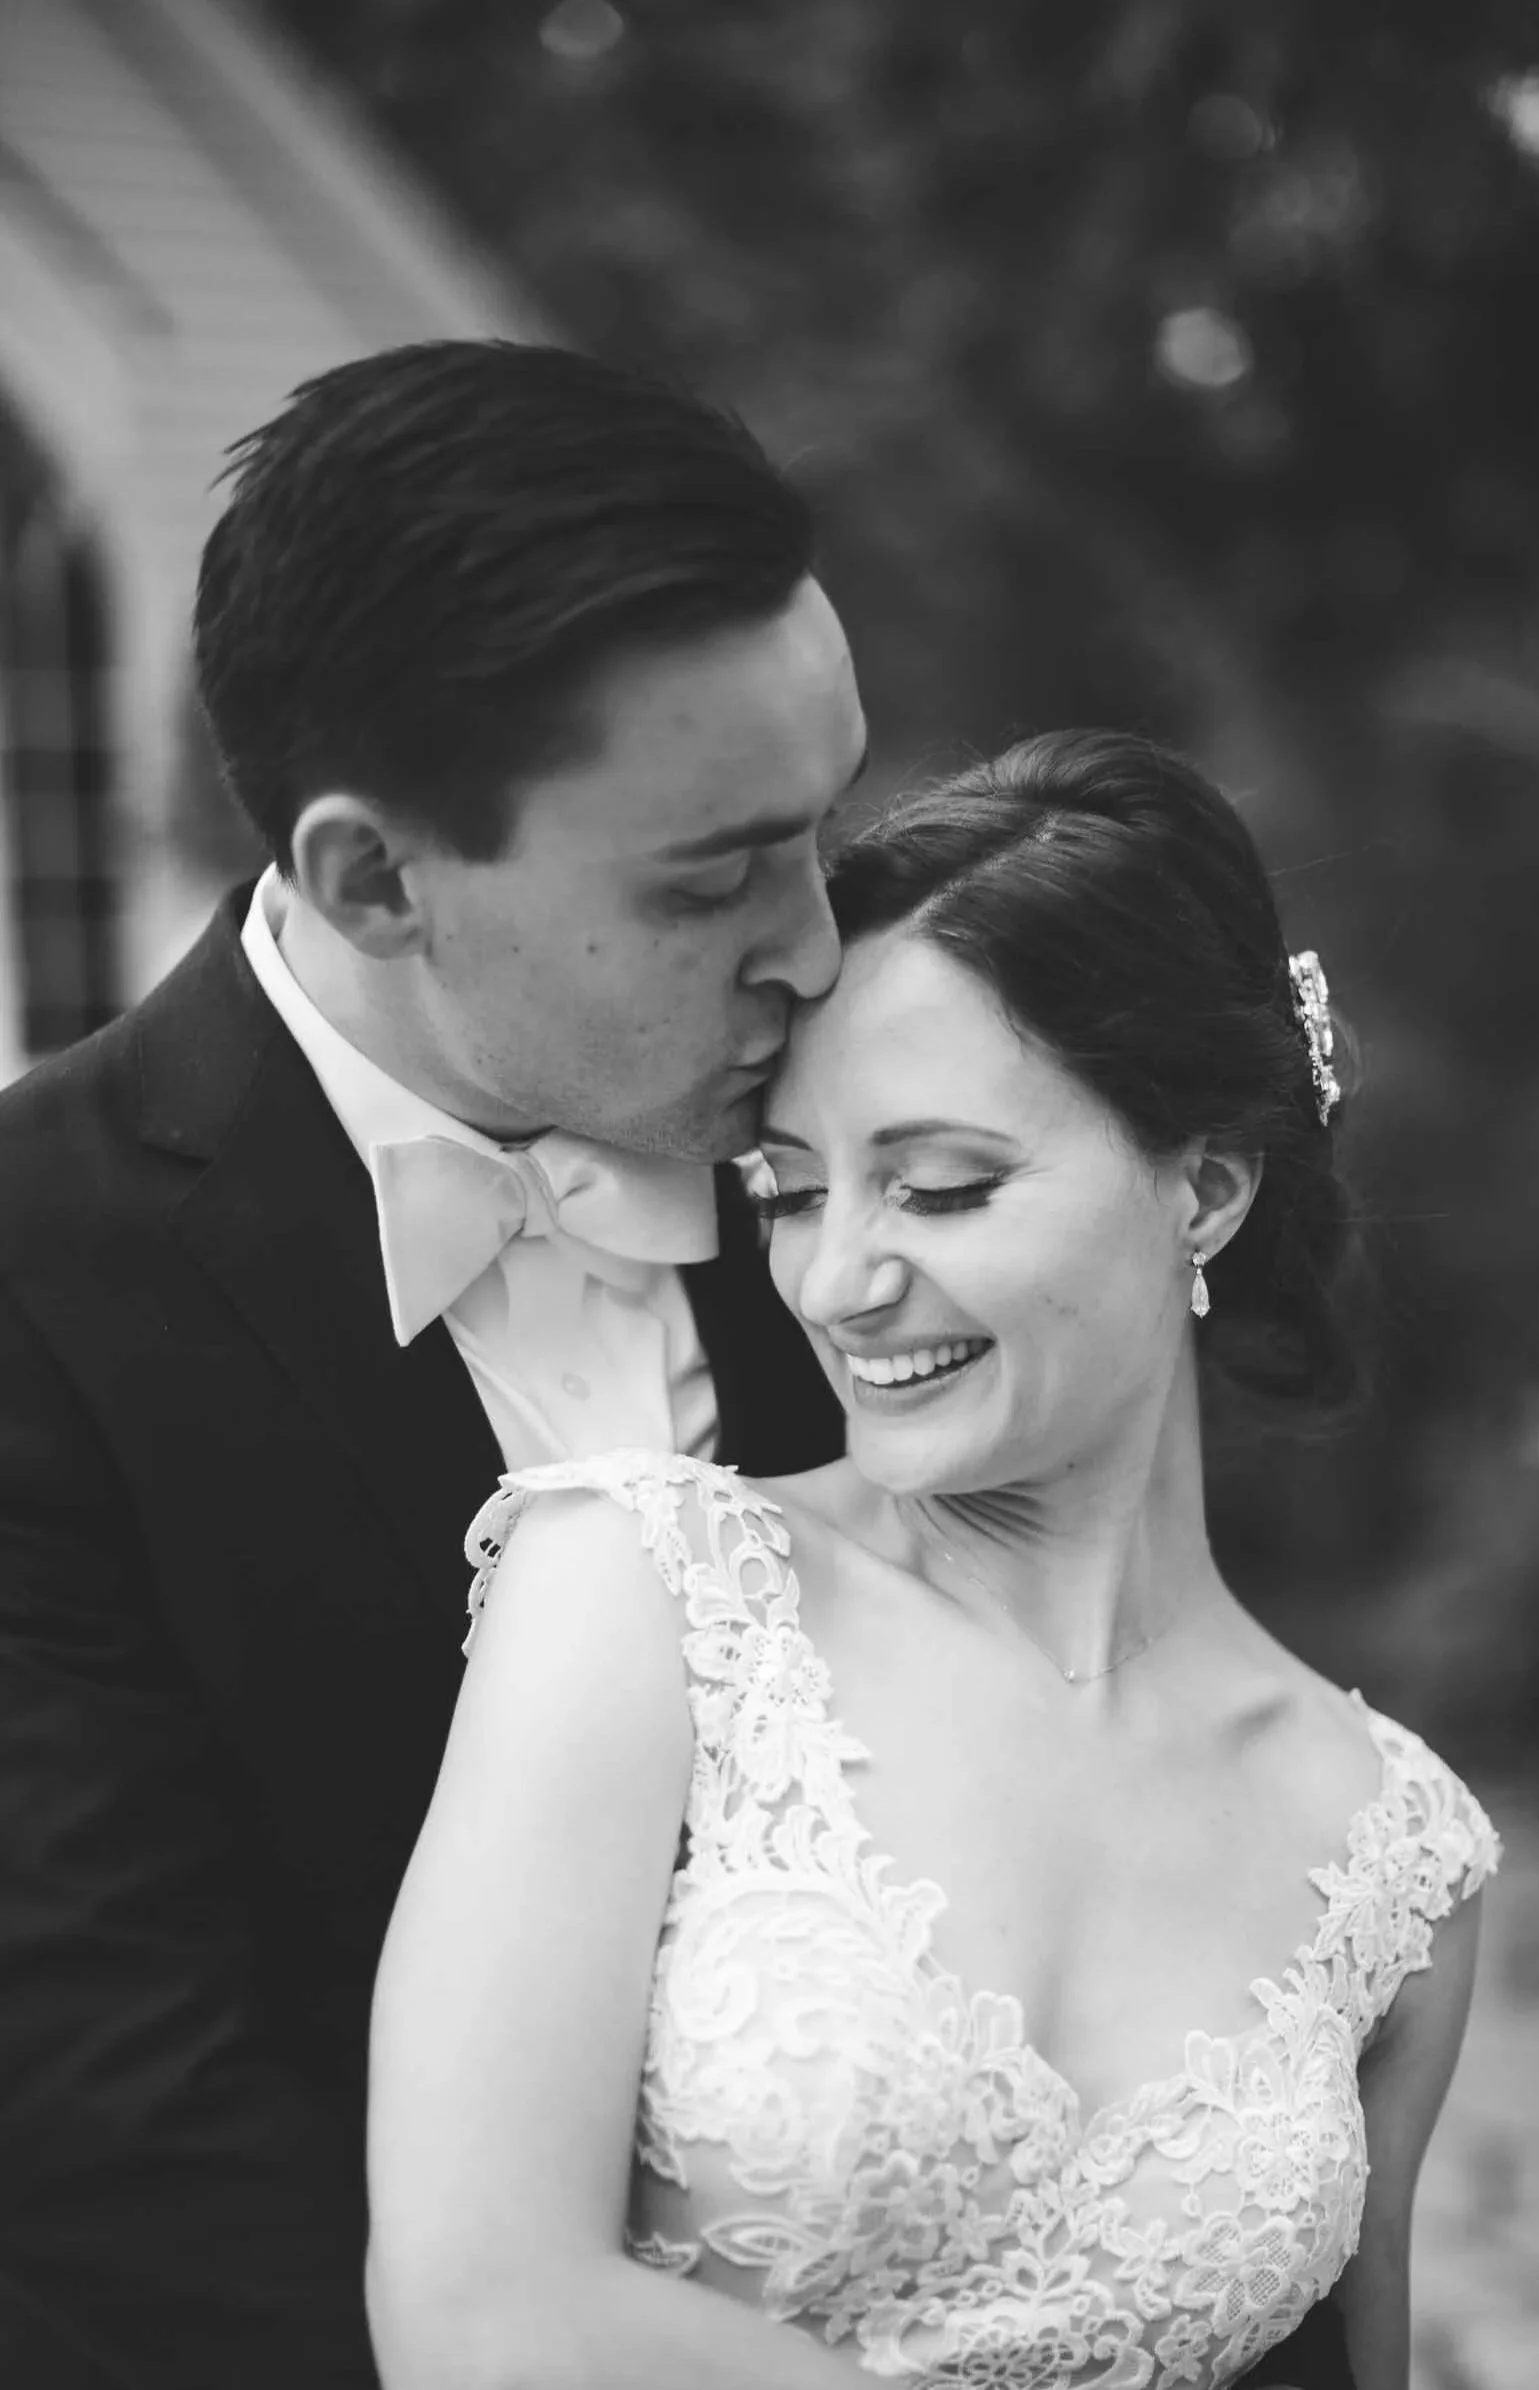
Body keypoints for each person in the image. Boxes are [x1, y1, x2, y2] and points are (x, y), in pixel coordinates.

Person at [367, 731, 1497, 2390]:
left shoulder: (1395, 1853)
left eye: (941, 1188)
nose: (834, 1280)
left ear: (1205, 1187)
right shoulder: (645, 1592)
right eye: (790, 1191)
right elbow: (478, 2315)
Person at [0, 340, 863, 2389]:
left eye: (824, 827)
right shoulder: (35, 1290)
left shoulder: (884, 1140)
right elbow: (121, 2131)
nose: (821, 947)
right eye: (711, 878)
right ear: (372, 878)